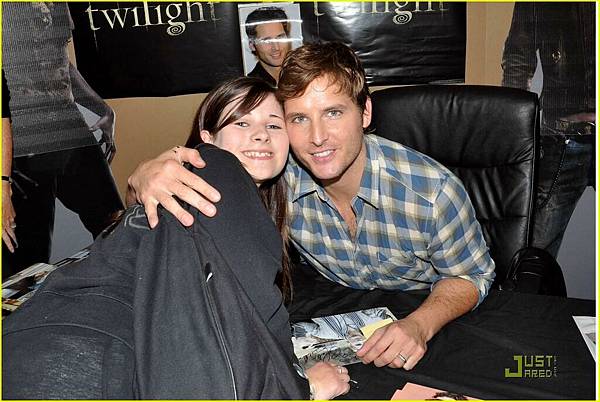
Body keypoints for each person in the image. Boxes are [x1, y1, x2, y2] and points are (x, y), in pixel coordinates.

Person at [127, 42, 496, 371]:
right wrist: (143, 177)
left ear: (365, 113)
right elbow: (175, 194)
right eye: (299, 118)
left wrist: (419, 324)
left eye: (333, 112)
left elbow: (471, 276)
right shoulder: (274, 173)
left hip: (423, 312)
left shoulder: (433, 192)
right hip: (334, 312)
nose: (317, 138)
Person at [3, 77, 349, 400]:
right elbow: (224, 339)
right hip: (80, 364)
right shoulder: (218, 170)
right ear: (208, 139)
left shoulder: (193, 190)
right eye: (241, 123)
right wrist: (302, 387)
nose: (260, 135)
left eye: (274, 124)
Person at [1, 2, 123, 280]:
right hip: (20, 145)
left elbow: (58, 60)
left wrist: (102, 108)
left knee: (117, 230)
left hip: (70, 129)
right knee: (27, 268)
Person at [501, 2, 595, 258]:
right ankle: (525, 296)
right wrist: (517, 130)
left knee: (534, 249)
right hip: (562, 133)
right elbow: (518, 58)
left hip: (561, 130)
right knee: (533, 254)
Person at [244, 6, 292, 86]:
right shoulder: (248, 89)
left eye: (280, 37)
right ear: (252, 45)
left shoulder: (302, 78)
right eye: (267, 40)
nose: (276, 47)